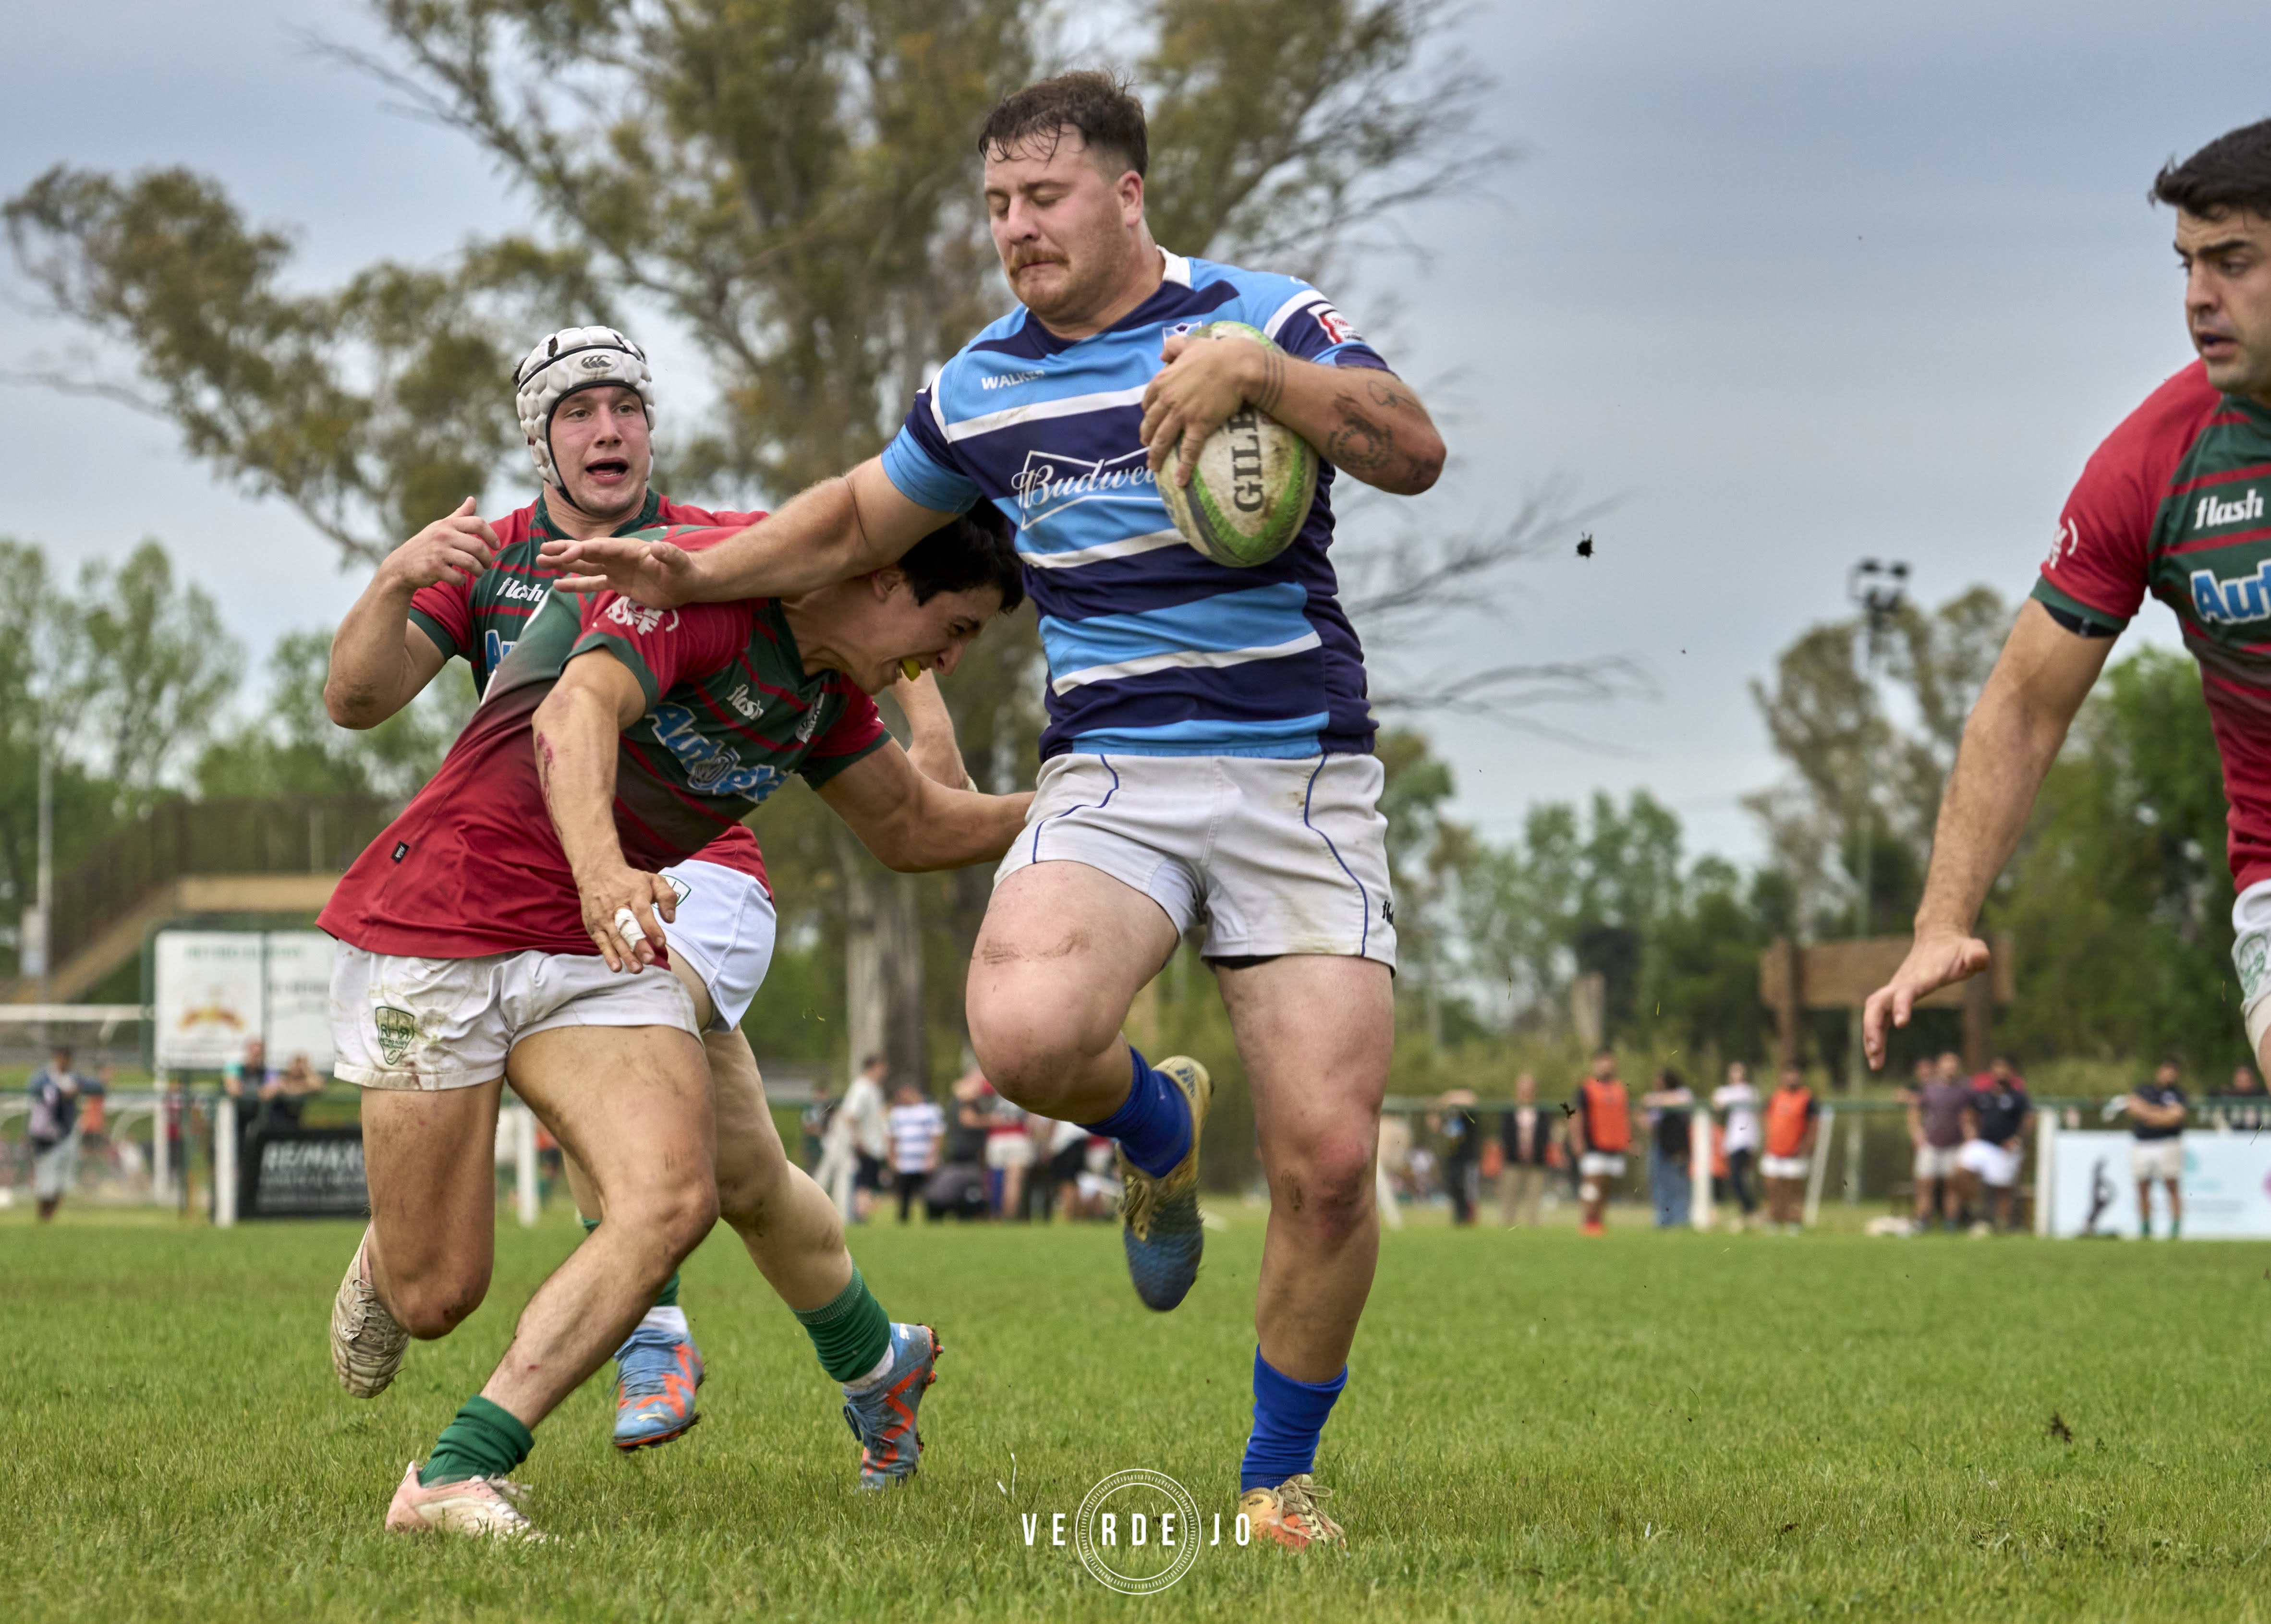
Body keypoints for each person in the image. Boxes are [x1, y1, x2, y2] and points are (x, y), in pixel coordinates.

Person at [541, 71, 1446, 1551]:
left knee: (1330, 1165)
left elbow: (1411, 447)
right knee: (1022, 1032)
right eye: (997, 205)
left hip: (1299, 769)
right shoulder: (980, 386)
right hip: (1114, 768)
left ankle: (1275, 1482)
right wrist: (696, 569)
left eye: (1044, 197)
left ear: (1127, 194)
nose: (1016, 227)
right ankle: (1154, 1123)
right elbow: (851, 519)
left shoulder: (1263, 313)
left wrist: (1265, 383)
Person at [320, 324, 980, 1454]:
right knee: (745, 1172)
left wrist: (931, 720)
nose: (608, 428)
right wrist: (394, 579)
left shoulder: (716, 550)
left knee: (648, 1105)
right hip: (525, 871)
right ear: (541, 440)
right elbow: (358, 701)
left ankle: (648, 1330)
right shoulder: (494, 559)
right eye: (579, 412)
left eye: (626, 406)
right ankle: (878, 1358)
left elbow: (886, 604)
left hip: (695, 872)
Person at [1864, 119, 2271, 1090]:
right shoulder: (2151, 465)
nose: (2197, 297)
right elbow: (2023, 705)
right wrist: (1940, 922)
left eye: (2231, 262)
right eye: (2185, 265)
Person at [1958, 1056, 2033, 1234]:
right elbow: (1968, 1113)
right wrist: (1970, 1130)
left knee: (2004, 1189)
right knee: (1960, 1171)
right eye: (1997, 1068)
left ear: (2011, 1072)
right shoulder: (1984, 1096)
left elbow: (2029, 1119)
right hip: (1984, 1145)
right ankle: (1975, 1208)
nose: (2001, 1072)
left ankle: (2000, 1225)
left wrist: (2017, 1139)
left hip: (2006, 1148)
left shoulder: (2018, 1097)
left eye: (2004, 1068)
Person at [1567, 1050, 1633, 1236]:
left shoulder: (1620, 1089)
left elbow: (1625, 1116)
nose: (1606, 1066)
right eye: (1602, 1062)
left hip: (1614, 1145)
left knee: (1605, 1187)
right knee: (1591, 1186)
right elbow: (1577, 1115)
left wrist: (1630, 1140)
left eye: (1609, 1062)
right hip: (1592, 1144)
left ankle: (1599, 1222)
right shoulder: (1586, 1088)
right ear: (1595, 1065)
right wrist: (1577, 1140)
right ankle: (1588, 1221)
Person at [1905, 1053, 1970, 1232]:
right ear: (1940, 1066)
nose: (1951, 1067)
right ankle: (1923, 1221)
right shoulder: (1928, 1089)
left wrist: (1968, 1136)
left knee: (1952, 1186)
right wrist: (1917, 1133)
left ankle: (1951, 1223)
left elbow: (1969, 1115)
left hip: (1954, 1145)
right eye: (1947, 1063)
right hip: (1930, 1145)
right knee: (1925, 1184)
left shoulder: (1964, 1090)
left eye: (1954, 1064)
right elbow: (1914, 1110)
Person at [2127, 1059, 2190, 1238]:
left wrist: (2148, 1114)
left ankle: (2175, 1228)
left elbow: (2175, 1117)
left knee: (2171, 1185)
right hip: (2143, 1143)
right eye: (2165, 1071)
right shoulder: (2144, 1090)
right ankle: (2145, 1227)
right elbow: (2132, 1108)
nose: (2168, 1075)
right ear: (2159, 1072)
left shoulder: (2179, 1094)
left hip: (2168, 1143)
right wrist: (2161, 1114)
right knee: (2143, 1187)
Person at [829, 1056, 892, 1223]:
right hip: (864, 1145)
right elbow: (851, 1116)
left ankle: (861, 1215)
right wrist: (858, 1141)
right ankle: (858, 1216)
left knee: (867, 1182)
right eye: (882, 1067)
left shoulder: (873, 1089)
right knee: (860, 1182)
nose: (885, 1072)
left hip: (873, 1145)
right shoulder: (861, 1088)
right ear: (874, 1067)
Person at [26, 1045, 83, 1222]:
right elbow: (41, 1093)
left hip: (64, 1135)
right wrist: (63, 1093)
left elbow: (92, 1085)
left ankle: (50, 1216)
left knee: (62, 1180)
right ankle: (43, 1216)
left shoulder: (73, 1078)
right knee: (46, 1177)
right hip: (45, 1137)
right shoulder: (43, 1079)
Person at [1759, 1064, 1818, 1232]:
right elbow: (1765, 1118)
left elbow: (1814, 1125)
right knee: (1773, 1188)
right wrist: (1766, 1140)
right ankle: (1774, 1221)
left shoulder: (1806, 1099)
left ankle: (1794, 1223)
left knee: (1794, 1190)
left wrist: (1807, 1146)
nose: (1792, 1078)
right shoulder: (1776, 1096)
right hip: (1774, 1151)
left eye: (1795, 1074)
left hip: (1795, 1153)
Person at [1497, 1073, 1553, 1229]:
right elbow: (1505, 1135)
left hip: (1536, 1162)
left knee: (1534, 1200)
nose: (1526, 1093)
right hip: (1513, 1162)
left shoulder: (1542, 1112)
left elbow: (1545, 1136)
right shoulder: (1509, 1111)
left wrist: (1534, 1151)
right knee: (1510, 1198)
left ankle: (1533, 1230)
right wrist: (1517, 1151)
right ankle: (1508, 1229)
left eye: (1529, 1090)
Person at [1640, 1068, 1694, 1229]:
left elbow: (1682, 1101)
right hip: (1661, 1145)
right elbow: (1650, 1124)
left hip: (1678, 1146)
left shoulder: (1683, 1093)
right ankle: (1663, 1220)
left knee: (1678, 1183)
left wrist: (1654, 1100)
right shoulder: (1657, 1100)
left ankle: (1680, 1219)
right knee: (1660, 1183)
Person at [885, 1082, 944, 1224]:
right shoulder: (897, 1113)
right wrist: (892, 1158)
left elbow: (937, 1136)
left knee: (929, 1194)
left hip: (923, 1161)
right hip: (905, 1162)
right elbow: (891, 1137)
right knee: (904, 1195)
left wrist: (933, 1157)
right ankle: (903, 1222)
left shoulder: (930, 1111)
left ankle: (931, 1220)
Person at [1711, 1062, 1761, 1228]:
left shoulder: (1749, 1092)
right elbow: (1717, 1103)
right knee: (1737, 1178)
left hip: (1746, 1140)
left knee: (1739, 1177)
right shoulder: (1728, 1092)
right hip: (1734, 1140)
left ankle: (1751, 1210)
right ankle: (1748, 1212)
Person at [1429, 1089, 1482, 1227]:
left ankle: (1470, 1220)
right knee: (1455, 1189)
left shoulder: (1467, 1114)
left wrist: (1444, 1099)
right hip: (1453, 1158)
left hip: (1468, 1158)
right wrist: (1436, 1110)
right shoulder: (1447, 1117)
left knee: (1469, 1191)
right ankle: (1458, 1219)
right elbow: (1433, 1125)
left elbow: (1471, 1099)